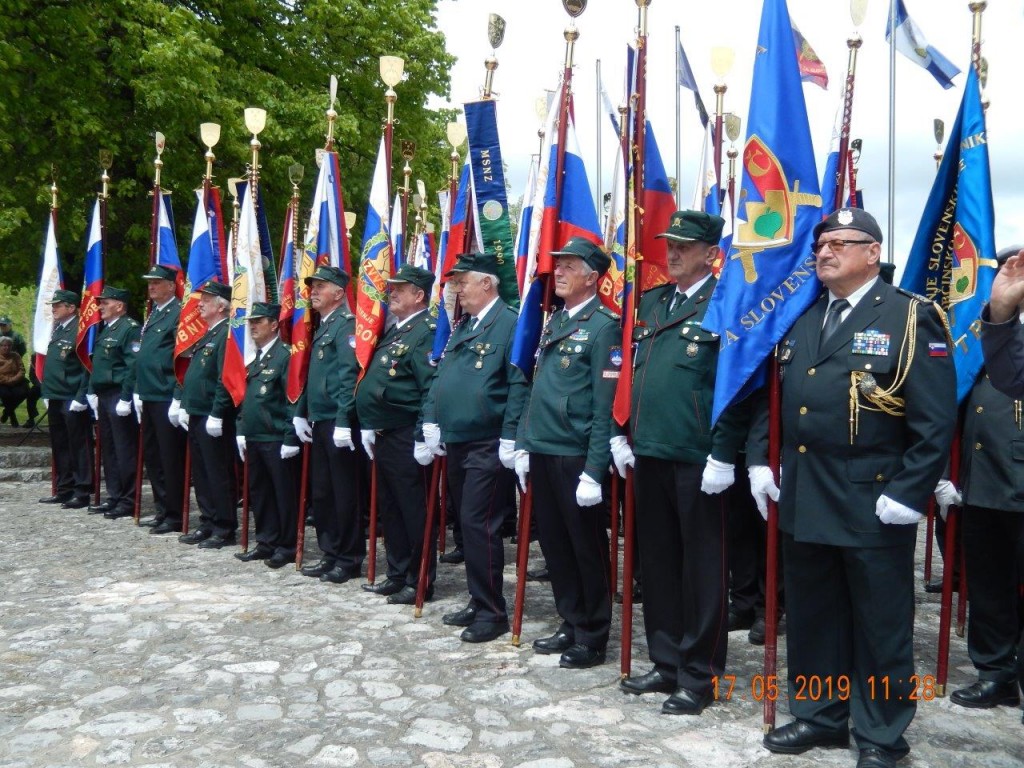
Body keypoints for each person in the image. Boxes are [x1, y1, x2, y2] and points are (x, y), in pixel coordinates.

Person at [748, 208, 956, 768]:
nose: (825, 251)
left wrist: (910, 492)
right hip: (807, 491)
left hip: (873, 497)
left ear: (872, 252)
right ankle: (821, 716)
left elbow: (934, 420)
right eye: (822, 243)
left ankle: (882, 734)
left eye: (841, 242)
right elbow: (777, 396)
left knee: (879, 624)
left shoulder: (909, 316)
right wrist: (761, 460)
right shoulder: (804, 314)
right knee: (814, 615)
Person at [611, 211, 747, 713]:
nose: (672, 253)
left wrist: (723, 453)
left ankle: (700, 673)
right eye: (670, 244)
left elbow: (736, 387)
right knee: (659, 563)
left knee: (702, 570)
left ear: (711, 254)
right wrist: (621, 431)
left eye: (684, 246)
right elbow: (629, 374)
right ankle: (666, 661)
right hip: (649, 451)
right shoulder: (651, 302)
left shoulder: (726, 304)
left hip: (698, 457)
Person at [513, 237, 619, 668]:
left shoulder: (604, 327)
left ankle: (592, 633)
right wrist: (524, 442)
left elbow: (604, 405)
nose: (557, 271)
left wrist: (595, 469)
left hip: (575, 454)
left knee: (585, 547)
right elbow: (537, 388)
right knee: (555, 545)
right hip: (544, 448)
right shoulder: (556, 321)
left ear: (592, 278)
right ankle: (570, 619)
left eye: (569, 266)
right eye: (558, 265)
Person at [421, 252, 528, 643]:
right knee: (467, 525)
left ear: (486, 283)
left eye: (462, 281)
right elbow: (442, 377)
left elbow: (518, 383)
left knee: (480, 523)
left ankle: (491, 612)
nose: (456, 289)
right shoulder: (464, 325)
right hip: (458, 440)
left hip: (488, 440)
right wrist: (431, 419)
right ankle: (478, 598)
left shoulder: (510, 323)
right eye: (454, 282)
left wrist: (511, 436)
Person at [355, 264, 439, 604]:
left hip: (406, 433)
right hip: (384, 432)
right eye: (392, 288)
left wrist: (422, 434)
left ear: (419, 295)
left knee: (413, 508)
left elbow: (428, 388)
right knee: (391, 507)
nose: (392, 293)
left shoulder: (426, 331)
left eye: (400, 289)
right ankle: (397, 571)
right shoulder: (396, 330)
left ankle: (419, 580)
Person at [293, 265, 363, 584]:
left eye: (321, 286)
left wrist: (344, 420)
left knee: (343, 493)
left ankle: (348, 558)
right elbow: (312, 376)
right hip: (319, 419)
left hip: (337, 421)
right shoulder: (323, 326)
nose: (314, 292)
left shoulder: (346, 324)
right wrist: (301, 411)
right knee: (322, 492)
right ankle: (330, 552)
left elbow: (348, 377)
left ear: (338, 292)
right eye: (313, 286)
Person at [235, 302, 301, 568]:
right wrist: (241, 429)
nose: (252, 326)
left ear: (274, 324)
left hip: (275, 436)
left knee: (282, 493)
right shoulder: (257, 358)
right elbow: (248, 399)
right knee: (260, 492)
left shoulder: (284, 356)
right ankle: (266, 541)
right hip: (255, 435)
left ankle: (286, 545)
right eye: (251, 322)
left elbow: (291, 399)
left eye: (258, 321)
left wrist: (290, 437)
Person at [177, 280, 238, 549]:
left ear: (221, 306)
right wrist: (185, 404)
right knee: (201, 471)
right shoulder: (208, 334)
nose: (200, 304)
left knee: (217, 472)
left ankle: (224, 526)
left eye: (206, 300)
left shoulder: (225, 335)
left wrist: (217, 412)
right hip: (197, 412)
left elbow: (225, 378)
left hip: (213, 415)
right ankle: (208, 520)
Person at [135, 264, 188, 534]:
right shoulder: (155, 313)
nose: (151, 287)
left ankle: (174, 513)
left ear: (170, 285)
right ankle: (162, 509)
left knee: (170, 458)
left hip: (165, 393)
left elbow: (181, 358)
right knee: (154, 456)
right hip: (149, 393)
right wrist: (138, 389)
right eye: (149, 283)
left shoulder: (178, 313)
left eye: (157, 282)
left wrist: (177, 396)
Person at [85, 285, 140, 520]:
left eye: (105, 303)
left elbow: (132, 366)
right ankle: (114, 495)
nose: (100, 307)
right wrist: (92, 391)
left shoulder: (129, 328)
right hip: (104, 394)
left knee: (123, 448)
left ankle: (128, 499)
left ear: (119, 306)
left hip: (118, 394)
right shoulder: (107, 329)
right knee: (108, 448)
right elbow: (98, 364)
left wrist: (126, 397)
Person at [38, 289, 94, 508]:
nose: (54, 308)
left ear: (71, 308)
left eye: (58, 305)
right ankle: (64, 488)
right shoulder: (59, 329)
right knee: (60, 444)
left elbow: (86, 366)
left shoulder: (79, 330)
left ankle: (82, 490)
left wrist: (81, 396)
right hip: (55, 395)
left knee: (78, 444)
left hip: (71, 395)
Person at [0, 337, 29, 426]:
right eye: (4, 345)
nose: (7, 347)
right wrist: (8, 380)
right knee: (6, 395)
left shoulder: (16, 355)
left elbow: (22, 370)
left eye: (9, 345)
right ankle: (12, 416)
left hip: (17, 381)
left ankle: (7, 412)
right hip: (2, 383)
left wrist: (14, 379)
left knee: (24, 392)